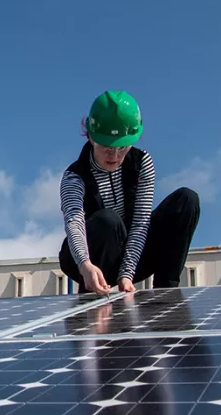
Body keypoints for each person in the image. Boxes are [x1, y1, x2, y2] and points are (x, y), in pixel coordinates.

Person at [57, 90, 200, 294]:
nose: (114, 155)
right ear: (90, 137)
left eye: (122, 147)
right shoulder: (74, 176)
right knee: (108, 220)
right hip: (89, 262)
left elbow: (141, 222)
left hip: (134, 254)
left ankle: (165, 295)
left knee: (186, 199)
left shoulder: (142, 163)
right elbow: (74, 222)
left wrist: (126, 274)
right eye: (106, 147)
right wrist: (84, 264)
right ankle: (93, 293)